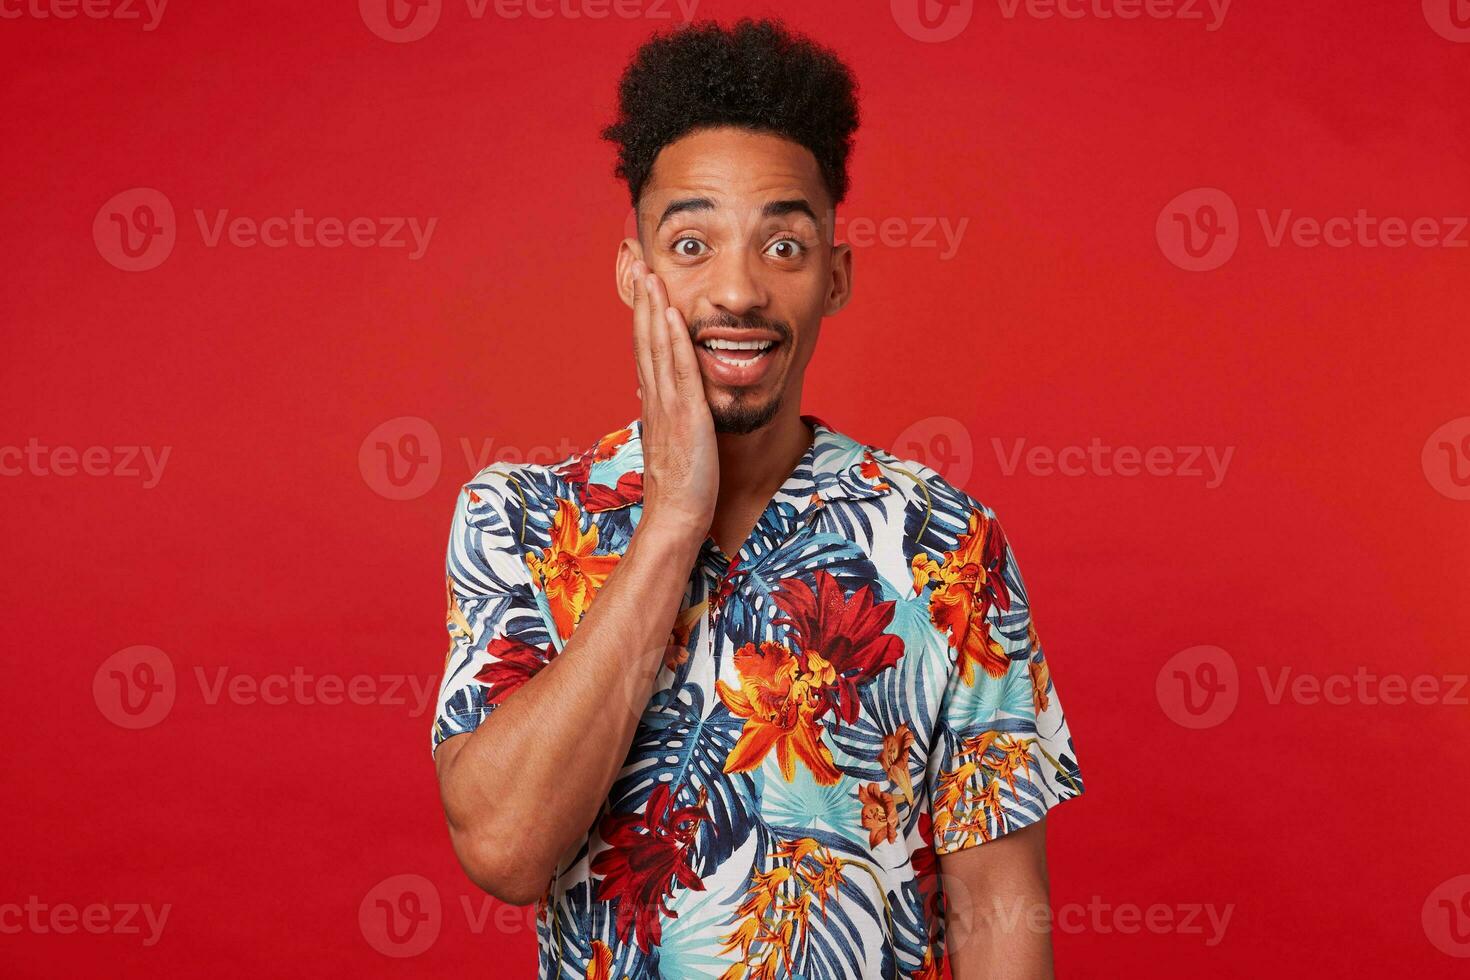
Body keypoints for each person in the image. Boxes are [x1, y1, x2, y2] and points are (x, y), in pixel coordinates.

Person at [431, 17, 1083, 978]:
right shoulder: (521, 519)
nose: (737, 290)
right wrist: (672, 523)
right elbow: (505, 848)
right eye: (691, 242)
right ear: (632, 271)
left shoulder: (943, 540)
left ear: (837, 276)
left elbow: (997, 909)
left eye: (784, 245)